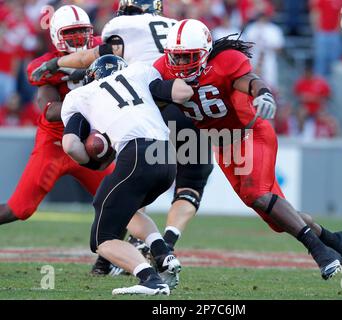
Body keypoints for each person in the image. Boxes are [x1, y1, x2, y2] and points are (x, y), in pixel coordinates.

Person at [153, 18, 342, 284]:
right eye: (177, 58)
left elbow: (250, 81)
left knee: (257, 193)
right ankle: (338, 242)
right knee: (277, 220)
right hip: (222, 144)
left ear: (205, 52)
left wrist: (263, 93)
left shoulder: (226, 61)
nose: (182, 66)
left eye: (189, 57)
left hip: (252, 133)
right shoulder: (162, 69)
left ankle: (320, 252)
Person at [31, 0, 214, 277]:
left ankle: (116, 265)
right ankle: (165, 248)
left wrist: (54, 63)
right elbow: (182, 89)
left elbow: (93, 55)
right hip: (180, 118)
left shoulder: (115, 36)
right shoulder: (164, 41)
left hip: (139, 133)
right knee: (191, 182)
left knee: (114, 208)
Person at [61, 54, 193, 295]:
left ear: (92, 76)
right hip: (166, 154)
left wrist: (94, 162)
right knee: (127, 209)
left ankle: (149, 278)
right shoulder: (139, 71)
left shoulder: (80, 95)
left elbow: (70, 145)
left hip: (136, 155)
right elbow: (179, 93)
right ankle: (164, 255)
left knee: (103, 238)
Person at [0, 5, 115, 226]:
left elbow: (115, 49)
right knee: (18, 210)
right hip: (54, 143)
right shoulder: (45, 66)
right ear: (56, 36)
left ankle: (116, 257)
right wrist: (88, 97)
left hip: (89, 141)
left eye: (82, 31)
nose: (78, 38)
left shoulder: (103, 47)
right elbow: (51, 112)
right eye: (70, 33)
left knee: (120, 200)